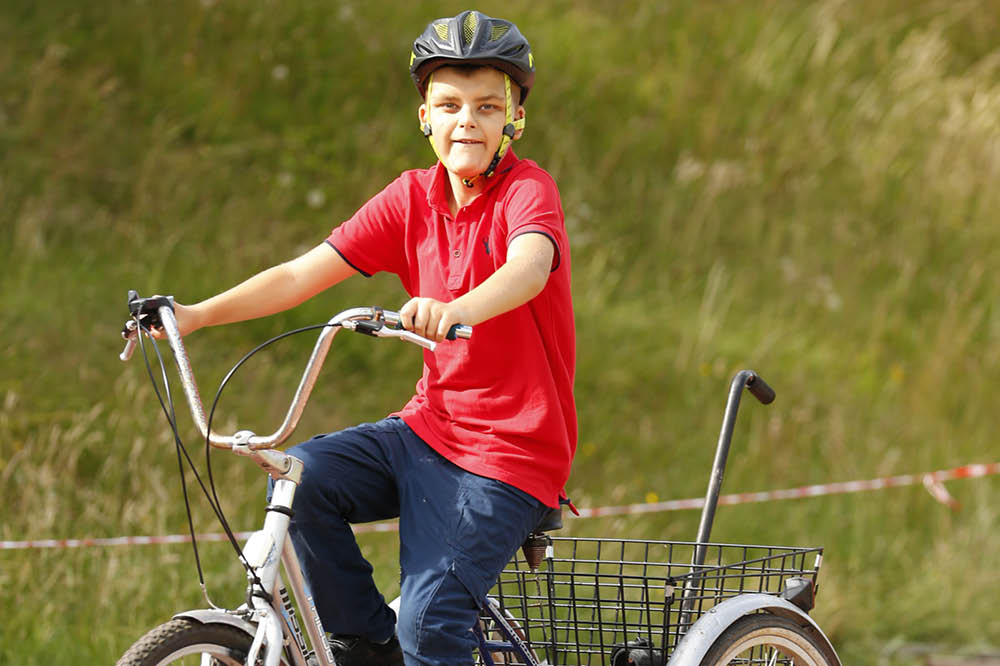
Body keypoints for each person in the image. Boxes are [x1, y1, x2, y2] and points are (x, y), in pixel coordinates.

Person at [156, 10, 576, 666]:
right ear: (425, 119)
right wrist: (195, 315)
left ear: (513, 119)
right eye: (450, 105)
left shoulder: (527, 190)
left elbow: (530, 266)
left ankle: (405, 645)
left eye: (488, 106)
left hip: (510, 456)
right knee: (302, 481)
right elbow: (301, 272)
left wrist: (455, 307)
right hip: (428, 430)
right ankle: (366, 645)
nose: (468, 120)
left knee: (432, 626)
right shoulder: (410, 198)